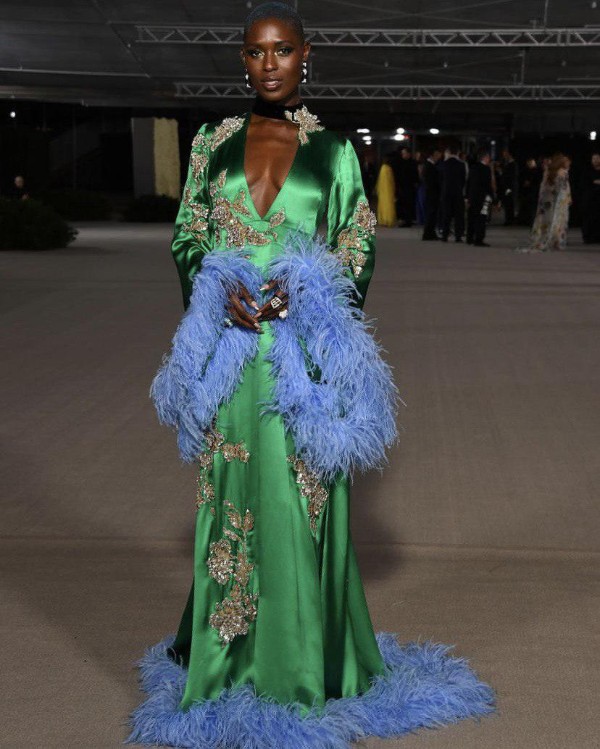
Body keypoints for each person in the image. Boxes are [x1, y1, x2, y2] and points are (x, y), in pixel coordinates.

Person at [125, 3, 495, 747]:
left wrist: (310, 292)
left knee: (300, 502)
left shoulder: (332, 151)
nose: (270, 64)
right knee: (232, 496)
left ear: (305, 55)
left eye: (283, 50)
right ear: (243, 61)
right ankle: (227, 660)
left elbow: (357, 245)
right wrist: (213, 287)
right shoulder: (212, 144)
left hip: (300, 357)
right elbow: (188, 235)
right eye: (256, 52)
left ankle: (301, 664)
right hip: (231, 357)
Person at [524, 152, 572, 253]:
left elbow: (544, 186)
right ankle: (556, 240)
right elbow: (565, 187)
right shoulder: (563, 172)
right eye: (567, 161)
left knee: (547, 219)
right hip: (560, 199)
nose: (569, 163)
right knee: (559, 219)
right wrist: (568, 197)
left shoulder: (550, 171)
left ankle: (545, 237)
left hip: (548, 197)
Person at [440, 142, 467, 242]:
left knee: (446, 214)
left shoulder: (443, 164)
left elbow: (440, 179)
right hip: (457, 192)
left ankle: (445, 235)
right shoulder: (461, 164)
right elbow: (463, 179)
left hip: (446, 192)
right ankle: (458, 236)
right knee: (458, 215)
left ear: (449, 152)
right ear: (457, 152)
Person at [466, 148, 493, 247]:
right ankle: (479, 239)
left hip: (473, 197)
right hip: (483, 198)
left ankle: (469, 238)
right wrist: (492, 197)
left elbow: (468, 182)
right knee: (481, 218)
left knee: (471, 218)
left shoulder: (473, 167)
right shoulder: (486, 169)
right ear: (485, 158)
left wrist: (467, 196)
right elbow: (487, 185)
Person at [391, 146, 419, 227]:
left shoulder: (412, 163)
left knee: (408, 204)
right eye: (402, 153)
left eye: (404, 153)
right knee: (403, 204)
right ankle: (405, 219)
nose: (403, 155)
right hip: (403, 187)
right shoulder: (401, 162)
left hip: (409, 187)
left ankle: (408, 221)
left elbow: (413, 175)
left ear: (408, 154)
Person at [421, 148, 442, 240]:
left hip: (432, 193)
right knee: (431, 214)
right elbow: (430, 182)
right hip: (431, 193)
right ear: (432, 155)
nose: (439, 156)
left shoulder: (431, 165)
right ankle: (428, 233)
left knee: (432, 214)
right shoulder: (429, 166)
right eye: (437, 154)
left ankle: (430, 233)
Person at [580, 152, 600, 244]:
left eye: (597, 158)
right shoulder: (587, 171)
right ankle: (588, 237)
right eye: (594, 159)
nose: (595, 160)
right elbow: (584, 183)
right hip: (590, 199)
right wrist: (594, 182)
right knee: (589, 218)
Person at [374, 154, 397, 227]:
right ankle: (388, 220)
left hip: (382, 191)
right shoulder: (388, 169)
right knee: (389, 205)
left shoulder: (383, 168)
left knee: (383, 205)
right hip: (389, 190)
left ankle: (383, 220)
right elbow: (391, 181)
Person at [519, 157, 543, 226]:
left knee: (534, 207)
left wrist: (530, 183)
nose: (529, 164)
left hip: (535, 191)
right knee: (530, 207)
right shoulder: (526, 171)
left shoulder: (538, 171)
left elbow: (538, 181)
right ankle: (529, 221)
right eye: (528, 163)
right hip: (529, 192)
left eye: (530, 163)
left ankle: (533, 221)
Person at [501, 149, 518, 225]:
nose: (504, 156)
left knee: (510, 204)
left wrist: (509, 188)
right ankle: (509, 219)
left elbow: (512, 177)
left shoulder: (513, 164)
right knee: (508, 203)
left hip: (510, 187)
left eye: (505, 154)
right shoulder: (508, 164)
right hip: (508, 186)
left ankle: (510, 220)